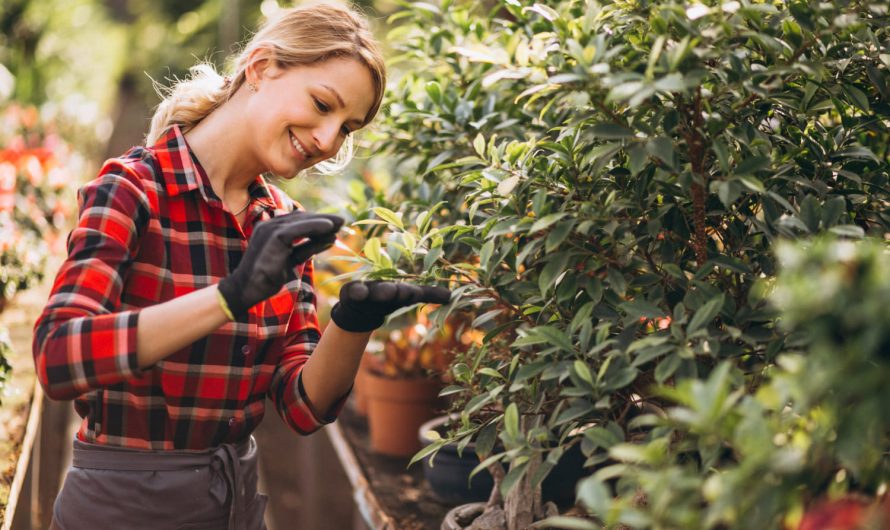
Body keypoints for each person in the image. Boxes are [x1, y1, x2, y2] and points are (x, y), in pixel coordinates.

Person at [32, 3, 451, 529]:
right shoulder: (133, 190)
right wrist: (230, 295)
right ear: (260, 67)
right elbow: (58, 356)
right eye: (322, 104)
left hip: (232, 505)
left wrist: (352, 324)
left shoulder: (281, 223)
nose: (327, 141)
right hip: (121, 508)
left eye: (347, 128)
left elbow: (301, 407)